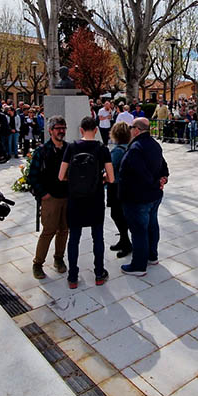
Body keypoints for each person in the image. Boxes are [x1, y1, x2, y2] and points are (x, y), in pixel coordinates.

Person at [59, 117, 115, 288]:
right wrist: (101, 178)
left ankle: (72, 277)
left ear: (81, 130)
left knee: (74, 238)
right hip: (95, 198)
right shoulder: (102, 149)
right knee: (97, 237)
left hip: (75, 199)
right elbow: (111, 178)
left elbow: (61, 176)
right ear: (96, 130)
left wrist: (74, 180)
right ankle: (99, 273)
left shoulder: (71, 147)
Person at [119, 118, 169, 277]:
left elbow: (142, 173)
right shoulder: (154, 144)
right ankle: (152, 256)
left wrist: (157, 182)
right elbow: (163, 166)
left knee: (139, 231)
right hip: (153, 196)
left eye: (131, 127)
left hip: (138, 197)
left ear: (137, 130)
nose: (130, 130)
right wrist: (163, 179)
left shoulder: (136, 148)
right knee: (152, 225)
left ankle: (139, 265)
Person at [29, 116, 70, 280]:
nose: (61, 131)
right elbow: (33, 176)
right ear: (50, 130)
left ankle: (59, 259)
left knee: (64, 231)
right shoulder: (42, 151)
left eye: (63, 128)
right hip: (50, 198)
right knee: (48, 231)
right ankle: (38, 263)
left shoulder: (69, 149)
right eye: (58, 128)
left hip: (67, 197)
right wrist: (43, 194)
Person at [107, 122, 133, 258]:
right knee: (120, 214)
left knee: (117, 215)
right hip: (125, 185)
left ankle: (126, 242)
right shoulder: (129, 147)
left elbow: (110, 168)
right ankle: (123, 240)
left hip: (116, 185)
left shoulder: (117, 151)